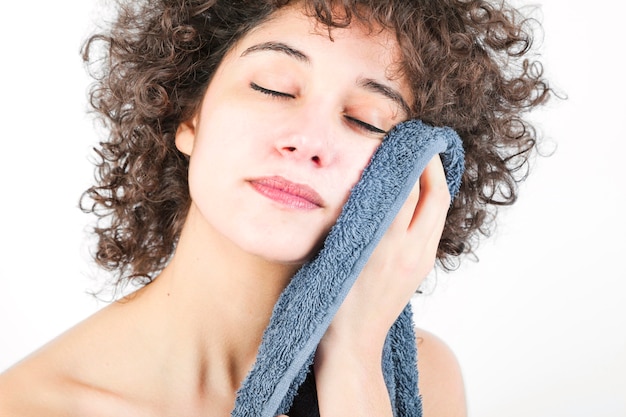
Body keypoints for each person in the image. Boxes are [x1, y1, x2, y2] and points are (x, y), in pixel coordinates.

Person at [0, 0, 551, 415]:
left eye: (366, 120)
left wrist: (354, 360)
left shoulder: (422, 379)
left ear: (407, 172)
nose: (308, 140)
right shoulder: (31, 405)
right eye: (273, 87)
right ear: (188, 115)